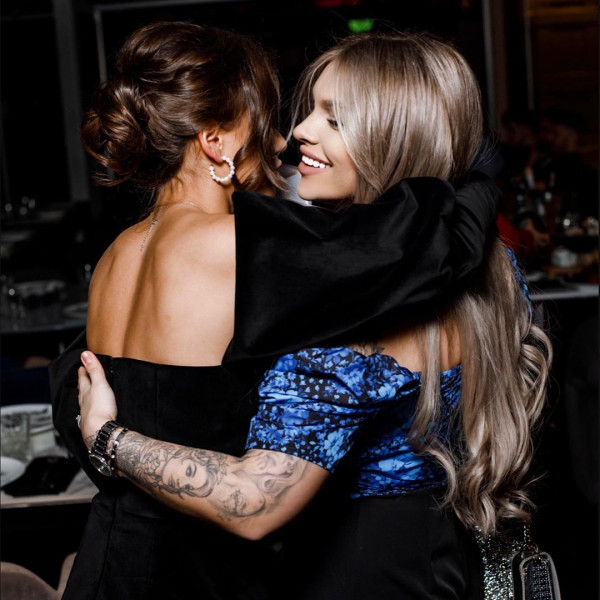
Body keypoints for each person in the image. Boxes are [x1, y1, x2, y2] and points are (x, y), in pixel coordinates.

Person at [75, 32, 552, 600]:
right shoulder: (476, 265)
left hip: (353, 574)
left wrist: (106, 438)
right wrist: (473, 190)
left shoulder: (352, 298)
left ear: (392, 136)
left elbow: (256, 500)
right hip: (440, 556)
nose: (293, 134)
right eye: (300, 114)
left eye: (335, 118)